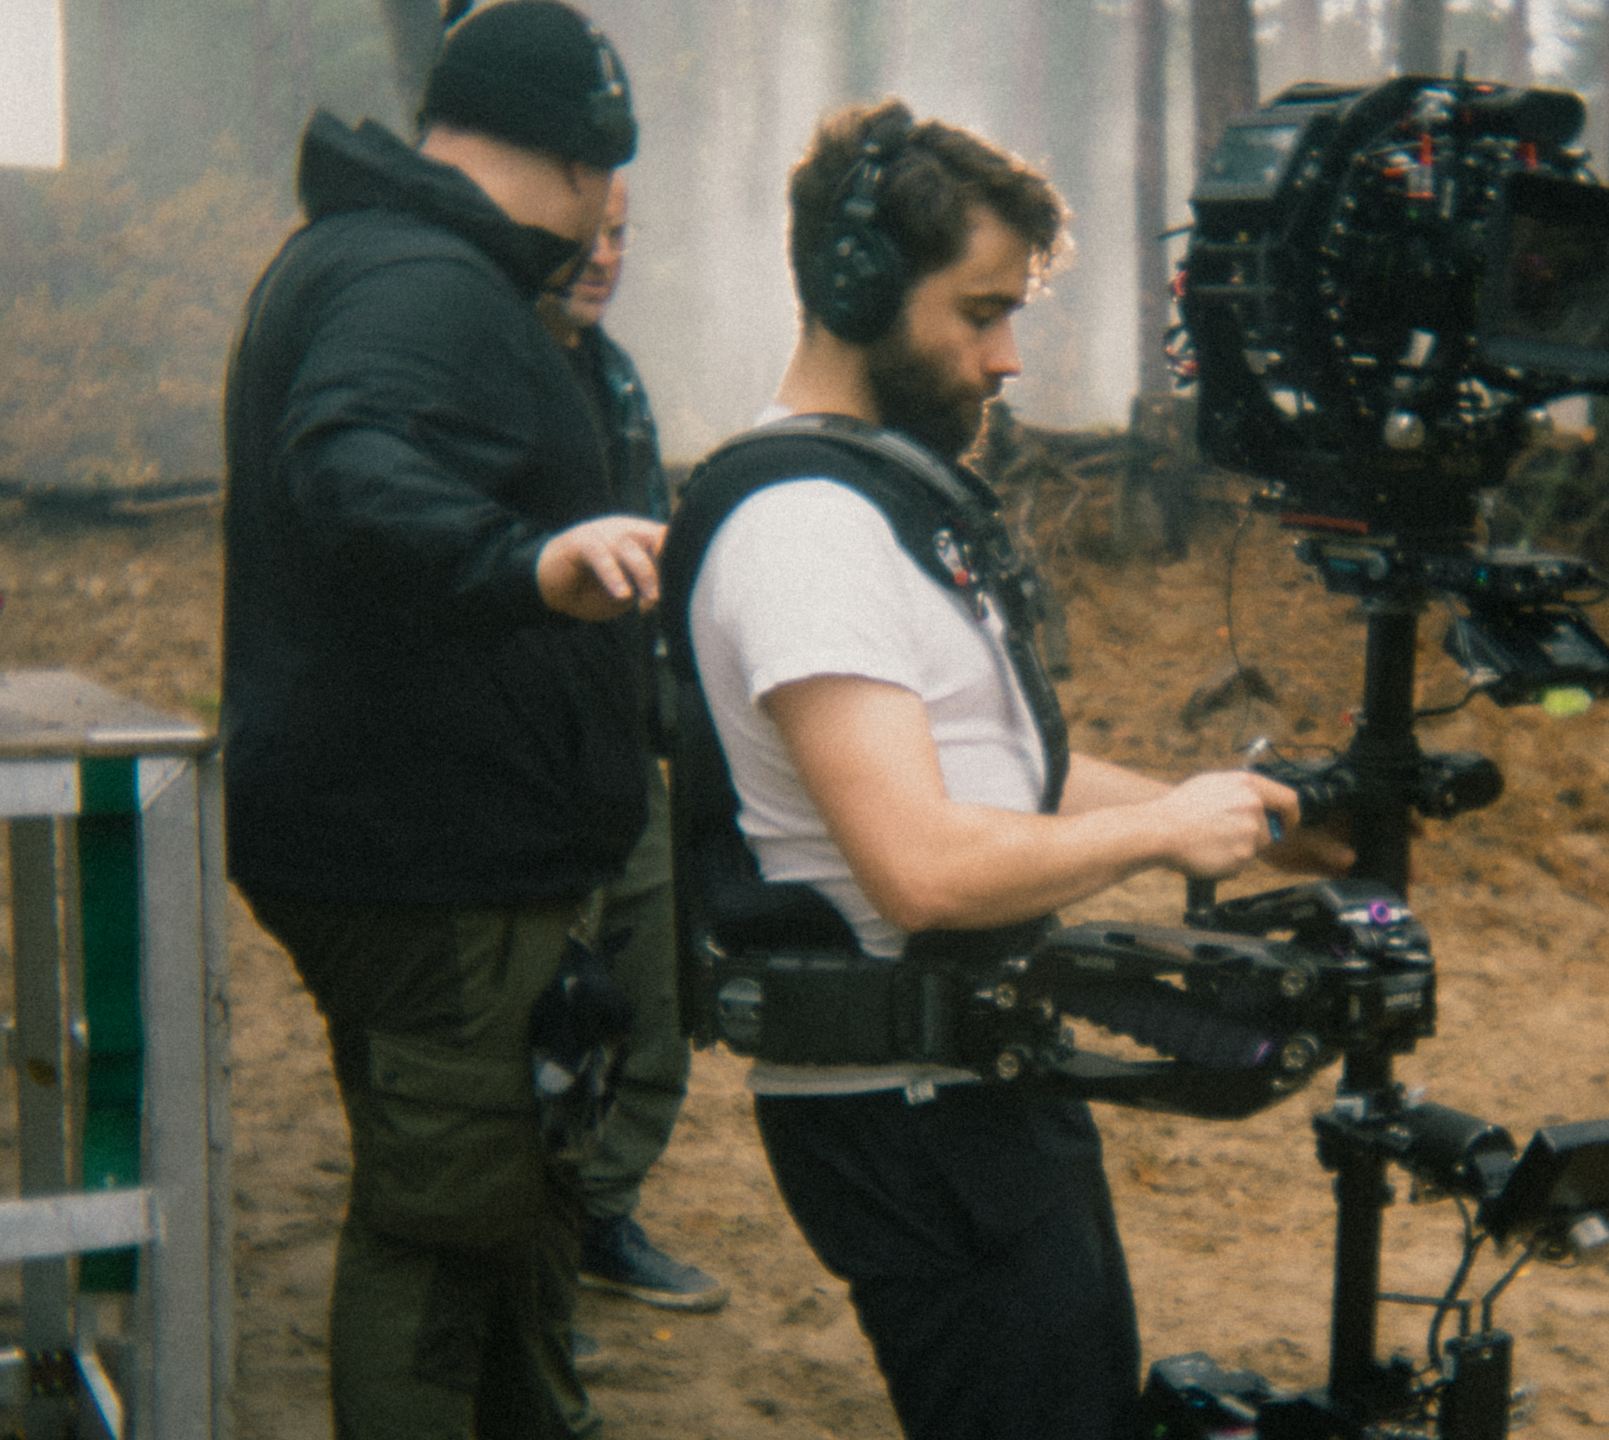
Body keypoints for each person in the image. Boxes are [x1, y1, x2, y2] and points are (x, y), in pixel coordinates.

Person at [672, 100, 1348, 1439]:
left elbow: (996, 776)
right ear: (857, 289)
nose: (1006, 357)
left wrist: (1233, 816)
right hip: (911, 1108)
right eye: (978, 313)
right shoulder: (806, 533)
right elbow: (922, 869)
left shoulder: (872, 506)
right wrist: (1160, 834)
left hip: (972, 1083)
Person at [220, 3, 656, 1434]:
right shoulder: (425, 281)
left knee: (497, 1193)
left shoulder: (371, 253)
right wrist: (525, 565)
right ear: (585, 157)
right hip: (434, 862)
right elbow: (350, 463)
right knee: (442, 1230)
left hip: (407, 845)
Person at [534, 175, 730, 1315]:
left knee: (658, 1004)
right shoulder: (495, 373)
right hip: (529, 767)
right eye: (588, 230)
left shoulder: (613, 377)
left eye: (622, 232)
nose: (605, 254)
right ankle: (529, 1266)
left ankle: (599, 1217)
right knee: (547, 1021)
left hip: (626, 751)